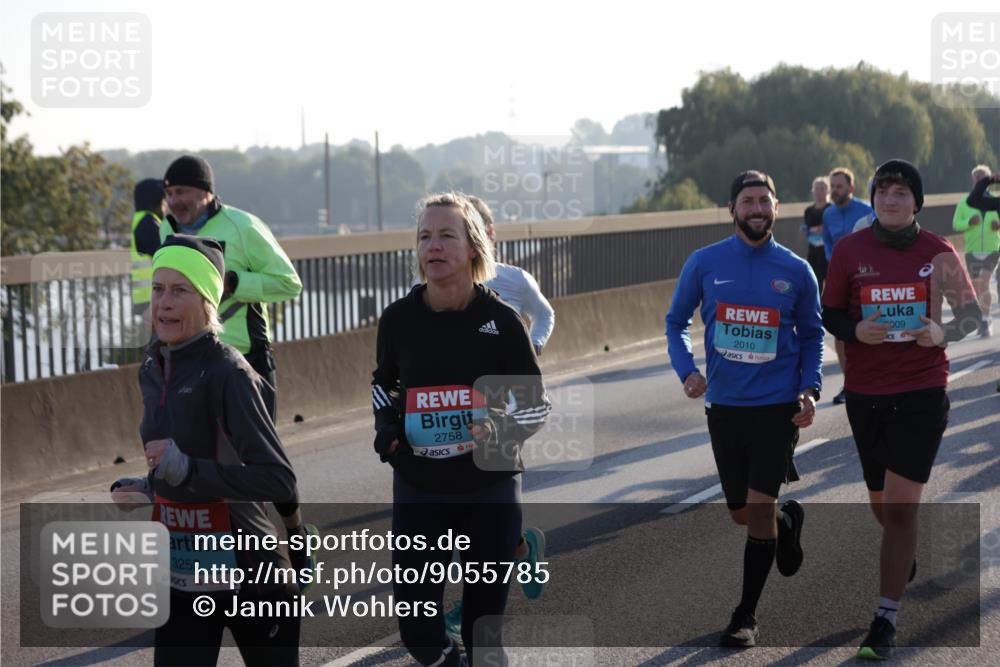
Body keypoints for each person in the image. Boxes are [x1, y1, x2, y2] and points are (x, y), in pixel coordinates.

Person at [372, 193, 551, 666]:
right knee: (419, 635)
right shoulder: (398, 319)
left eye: (446, 236)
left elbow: (536, 405)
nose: (433, 246)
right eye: (424, 236)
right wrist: (387, 429)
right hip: (420, 485)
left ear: (473, 247)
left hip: (488, 486)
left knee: (482, 635)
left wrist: (500, 429)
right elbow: (383, 386)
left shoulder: (502, 321)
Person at [110, 234, 302, 666]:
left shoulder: (229, 373)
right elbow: (183, 459)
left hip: (252, 575)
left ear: (207, 302)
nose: (164, 303)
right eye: (158, 289)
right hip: (185, 575)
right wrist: (151, 487)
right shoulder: (152, 366)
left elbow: (277, 479)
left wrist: (188, 470)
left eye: (180, 290)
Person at [821, 159, 981, 660]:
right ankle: (902, 549)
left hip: (921, 390)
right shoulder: (850, 250)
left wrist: (941, 333)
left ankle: (885, 619)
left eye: (901, 193)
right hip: (866, 393)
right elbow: (830, 313)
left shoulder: (939, 252)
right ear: (873, 199)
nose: (891, 200)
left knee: (898, 507)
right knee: (881, 504)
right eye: (883, 192)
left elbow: (971, 317)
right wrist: (853, 330)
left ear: (916, 202)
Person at [666, 170, 823, 647]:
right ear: (732, 209)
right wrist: (687, 371)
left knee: (756, 509)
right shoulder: (705, 262)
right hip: (725, 407)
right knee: (742, 514)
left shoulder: (797, 270)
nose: (756, 209)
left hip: (777, 408)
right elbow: (675, 322)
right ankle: (785, 522)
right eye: (748, 201)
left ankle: (745, 615)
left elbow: (812, 336)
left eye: (764, 201)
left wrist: (809, 388)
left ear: (777, 208)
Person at [159, 155, 318, 582]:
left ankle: (294, 535)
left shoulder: (242, 226)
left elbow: (289, 283)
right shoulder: (166, 231)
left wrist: (234, 283)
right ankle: (225, 562)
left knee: (261, 463)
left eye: (182, 192)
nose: (175, 201)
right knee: (198, 464)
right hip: (191, 363)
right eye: (169, 193)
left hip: (247, 362)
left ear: (205, 192)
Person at [439, 195, 553, 640]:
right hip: (456, 408)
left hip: (504, 409)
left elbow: (545, 313)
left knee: (485, 506)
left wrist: (534, 345)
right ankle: (522, 549)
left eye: (472, 228)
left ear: (488, 234)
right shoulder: (443, 282)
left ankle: (471, 607)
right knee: (469, 507)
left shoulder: (514, 279)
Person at [822, 167, 873, 405]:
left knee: (868, 327)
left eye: (839, 186)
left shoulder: (866, 210)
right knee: (840, 332)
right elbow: (827, 243)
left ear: (851, 188)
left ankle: (873, 378)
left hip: (865, 278)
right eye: (832, 186)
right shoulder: (828, 214)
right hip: (839, 280)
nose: (834, 190)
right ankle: (849, 383)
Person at [954, 165, 1000, 337]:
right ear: (973, 180)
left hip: (992, 248)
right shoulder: (965, 202)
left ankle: (985, 320)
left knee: (984, 281)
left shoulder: (995, 201)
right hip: (972, 249)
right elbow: (956, 224)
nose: (979, 179)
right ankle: (983, 316)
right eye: (977, 176)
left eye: (983, 176)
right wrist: (968, 223)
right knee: (976, 287)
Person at [130, 178, 167, 316]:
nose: (166, 207)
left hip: (147, 297)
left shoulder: (141, 220)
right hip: (152, 299)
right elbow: (165, 254)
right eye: (164, 201)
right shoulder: (148, 223)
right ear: (156, 203)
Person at [801, 176, 830, 291]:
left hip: (828, 252)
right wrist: (806, 231)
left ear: (828, 191)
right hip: (813, 252)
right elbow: (808, 229)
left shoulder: (831, 209)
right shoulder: (808, 211)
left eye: (822, 188)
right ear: (813, 191)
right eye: (817, 188)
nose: (819, 191)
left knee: (831, 284)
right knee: (815, 284)